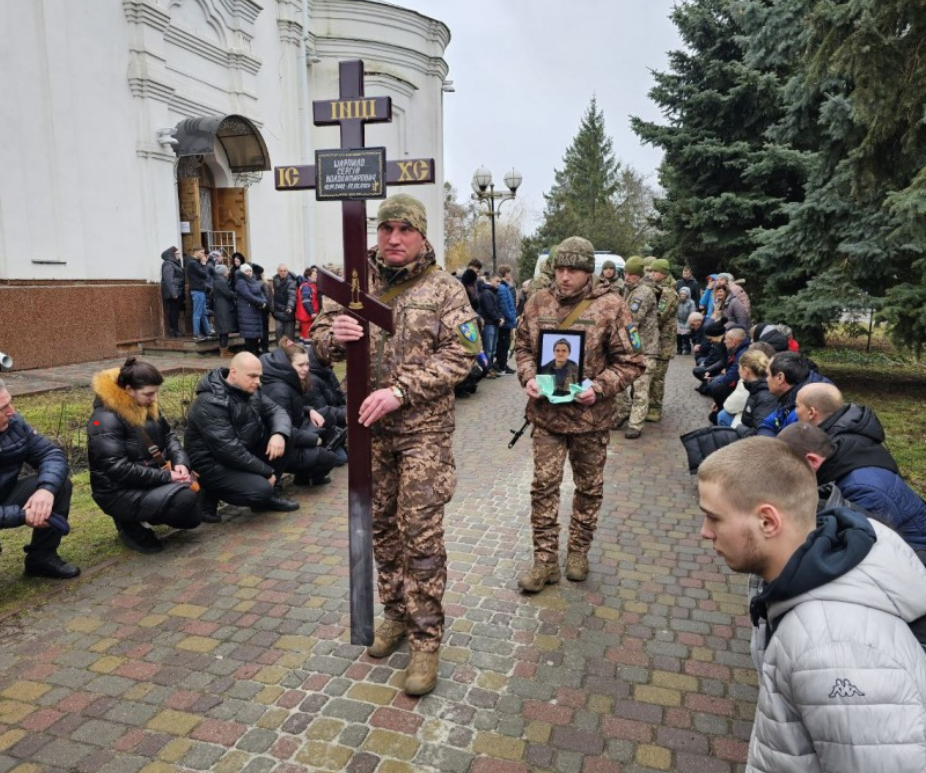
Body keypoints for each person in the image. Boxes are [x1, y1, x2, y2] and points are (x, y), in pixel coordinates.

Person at [312, 193, 481, 696]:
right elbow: (319, 338)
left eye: (405, 229)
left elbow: (465, 352)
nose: (393, 238)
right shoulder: (356, 284)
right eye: (386, 229)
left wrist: (401, 391)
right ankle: (395, 614)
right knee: (382, 528)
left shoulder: (445, 289)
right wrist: (335, 334)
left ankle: (427, 640)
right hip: (370, 432)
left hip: (422, 431)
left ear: (423, 236)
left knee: (419, 533)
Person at [699, 437, 926, 771]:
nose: (705, 532)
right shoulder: (795, 577)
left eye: (714, 518)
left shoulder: (833, 649)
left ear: (768, 521)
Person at [515, 236, 644, 593]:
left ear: (588, 272)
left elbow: (632, 361)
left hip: (591, 419)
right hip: (547, 417)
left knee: (588, 488)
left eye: (573, 269)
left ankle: (578, 552)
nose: (565, 276)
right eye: (560, 268)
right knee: (544, 486)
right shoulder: (537, 301)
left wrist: (599, 387)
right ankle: (544, 561)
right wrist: (528, 376)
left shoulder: (612, 306)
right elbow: (523, 347)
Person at [87, 358, 202, 553]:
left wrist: (180, 463)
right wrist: (168, 476)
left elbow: (169, 436)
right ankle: (128, 524)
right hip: (118, 491)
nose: (154, 398)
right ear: (129, 390)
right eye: (149, 393)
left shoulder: (145, 404)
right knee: (185, 500)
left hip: (150, 478)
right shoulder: (104, 420)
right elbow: (117, 468)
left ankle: (146, 514)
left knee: (193, 511)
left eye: (156, 392)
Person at [778, 422, 926, 555]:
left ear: (812, 460)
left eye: (789, 468)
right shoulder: (843, 455)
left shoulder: (861, 491)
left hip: (914, 554)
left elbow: (862, 547)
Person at [184, 352, 298, 520]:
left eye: (259, 376)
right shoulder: (211, 402)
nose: (258, 382)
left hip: (241, 452)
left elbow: (276, 411)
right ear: (234, 372)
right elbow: (229, 450)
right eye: (252, 376)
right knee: (261, 491)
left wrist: (279, 434)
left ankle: (268, 496)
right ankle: (210, 491)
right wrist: (266, 472)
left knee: (288, 435)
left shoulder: (251, 390)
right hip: (213, 465)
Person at [0, 379, 79, 578]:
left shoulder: (14, 423)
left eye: (9, 402)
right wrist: (22, 515)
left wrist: (46, 490)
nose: (12, 411)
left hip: (4, 495)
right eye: (2, 408)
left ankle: (41, 558)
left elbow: (50, 454)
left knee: (59, 484)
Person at [259, 340, 337, 486]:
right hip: (279, 446)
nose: (306, 369)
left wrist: (309, 410)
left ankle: (305, 475)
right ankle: (306, 476)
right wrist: (314, 440)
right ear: (288, 365)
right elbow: (284, 429)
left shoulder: (287, 380)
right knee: (328, 458)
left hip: (292, 433)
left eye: (307, 364)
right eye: (300, 365)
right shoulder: (280, 391)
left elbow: (293, 408)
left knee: (326, 417)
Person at [614, 256, 659, 439]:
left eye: (631, 274)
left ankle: (635, 424)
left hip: (644, 348)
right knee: (620, 383)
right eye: (625, 273)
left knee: (640, 387)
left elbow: (631, 320)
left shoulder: (643, 293)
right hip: (630, 347)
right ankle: (623, 412)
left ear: (639, 276)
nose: (627, 277)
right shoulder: (629, 290)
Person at [758, 352, 832, 437]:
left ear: (780, 377)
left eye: (767, 375)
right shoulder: (790, 395)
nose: (766, 379)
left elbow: (789, 447)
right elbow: (767, 423)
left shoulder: (804, 410)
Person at [644, 257, 678, 422]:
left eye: (654, 271)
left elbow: (659, 316)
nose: (651, 274)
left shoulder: (668, 293)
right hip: (654, 341)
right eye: (650, 271)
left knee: (657, 377)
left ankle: (655, 407)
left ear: (663, 274)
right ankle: (646, 405)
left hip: (663, 343)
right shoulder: (658, 289)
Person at [235, 263, 266, 356]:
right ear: (242, 272)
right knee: (250, 336)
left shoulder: (253, 280)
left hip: (255, 310)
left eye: (250, 271)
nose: (248, 273)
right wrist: (260, 303)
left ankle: (255, 353)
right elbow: (248, 295)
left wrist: (264, 302)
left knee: (255, 335)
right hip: (247, 312)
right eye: (246, 271)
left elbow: (260, 293)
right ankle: (250, 355)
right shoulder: (241, 282)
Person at [186, 247, 215, 341]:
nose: (203, 254)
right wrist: (204, 264)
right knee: (197, 313)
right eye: (202, 252)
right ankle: (196, 334)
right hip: (197, 290)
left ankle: (207, 331)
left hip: (200, 290)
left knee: (203, 313)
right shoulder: (192, 263)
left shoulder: (194, 262)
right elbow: (204, 274)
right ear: (196, 252)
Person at [477, 274, 503, 374]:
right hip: (489, 323)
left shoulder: (493, 293)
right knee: (488, 348)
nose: (499, 284)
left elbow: (498, 308)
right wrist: (498, 319)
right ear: (491, 280)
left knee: (492, 348)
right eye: (497, 281)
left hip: (494, 323)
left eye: (500, 281)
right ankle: (487, 369)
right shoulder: (487, 293)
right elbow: (490, 309)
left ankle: (490, 367)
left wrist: (501, 317)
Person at [495, 265, 518, 375]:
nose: (511, 275)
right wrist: (511, 317)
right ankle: (502, 366)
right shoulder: (502, 288)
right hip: (506, 322)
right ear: (506, 274)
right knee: (503, 344)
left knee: (505, 344)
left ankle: (503, 364)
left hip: (508, 320)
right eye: (510, 273)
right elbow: (504, 305)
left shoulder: (505, 287)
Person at [212, 264, 237, 358]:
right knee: (224, 330)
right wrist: (235, 295)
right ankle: (224, 352)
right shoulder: (220, 281)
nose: (228, 272)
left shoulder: (218, 280)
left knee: (223, 331)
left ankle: (223, 349)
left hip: (221, 306)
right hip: (223, 307)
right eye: (226, 271)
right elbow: (227, 293)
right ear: (222, 272)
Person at [160, 246, 185, 338]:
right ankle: (173, 330)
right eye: (177, 253)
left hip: (177, 290)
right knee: (173, 311)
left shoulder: (175, 263)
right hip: (173, 292)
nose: (179, 255)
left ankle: (176, 330)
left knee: (175, 311)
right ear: (172, 254)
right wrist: (173, 293)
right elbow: (168, 280)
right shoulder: (168, 264)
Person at [272, 263, 297, 342]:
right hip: (278, 311)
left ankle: (290, 353)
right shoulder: (275, 280)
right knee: (278, 332)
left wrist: (290, 306)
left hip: (288, 311)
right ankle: (280, 351)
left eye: (284, 271)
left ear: (287, 271)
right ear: (278, 272)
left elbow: (292, 295)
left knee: (289, 336)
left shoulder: (291, 281)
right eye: (281, 271)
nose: (283, 272)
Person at [295, 266, 320, 344]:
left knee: (303, 337)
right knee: (308, 339)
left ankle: (303, 351)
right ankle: (308, 354)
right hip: (307, 317)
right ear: (309, 277)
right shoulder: (307, 286)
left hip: (306, 316)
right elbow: (306, 301)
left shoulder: (308, 285)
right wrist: (312, 312)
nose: (316, 277)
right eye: (314, 275)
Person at [676, 286, 696, 354]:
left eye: (684, 294)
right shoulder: (677, 302)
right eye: (681, 294)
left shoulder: (691, 302)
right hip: (679, 321)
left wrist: (687, 325)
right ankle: (679, 348)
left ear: (687, 295)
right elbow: (675, 314)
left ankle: (687, 348)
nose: (682, 295)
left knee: (686, 335)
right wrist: (677, 325)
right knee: (678, 335)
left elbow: (692, 313)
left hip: (688, 320)